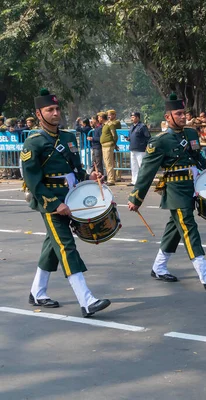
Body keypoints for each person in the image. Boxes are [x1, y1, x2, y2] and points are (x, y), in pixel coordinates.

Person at [21, 88, 110, 317]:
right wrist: (53, 204)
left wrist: (89, 178)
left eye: (57, 108)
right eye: (49, 109)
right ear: (39, 113)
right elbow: (33, 181)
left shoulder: (68, 137)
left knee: (52, 246)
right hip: (50, 201)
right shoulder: (34, 142)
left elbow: (75, 169)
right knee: (65, 246)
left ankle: (37, 292)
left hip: (71, 198)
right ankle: (86, 300)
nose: (55, 113)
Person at [127, 93, 206, 289]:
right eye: (178, 113)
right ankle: (205, 273)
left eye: (184, 113)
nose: (183, 117)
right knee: (189, 228)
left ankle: (159, 266)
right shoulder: (160, 141)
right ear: (168, 117)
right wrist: (135, 198)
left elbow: (196, 158)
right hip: (174, 189)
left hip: (192, 187)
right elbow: (146, 171)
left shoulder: (190, 134)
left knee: (174, 229)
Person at [127, 111, 151, 186]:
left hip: (140, 149)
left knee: (142, 166)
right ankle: (134, 181)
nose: (132, 118)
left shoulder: (142, 126)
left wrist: (147, 146)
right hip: (133, 148)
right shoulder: (131, 126)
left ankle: (144, 181)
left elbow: (148, 137)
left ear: (137, 117)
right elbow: (131, 137)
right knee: (134, 166)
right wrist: (128, 139)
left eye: (133, 117)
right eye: (131, 117)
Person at [100, 109, 120, 186]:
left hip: (108, 145)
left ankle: (111, 180)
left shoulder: (110, 124)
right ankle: (110, 178)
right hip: (104, 146)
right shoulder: (105, 125)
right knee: (106, 163)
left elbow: (114, 135)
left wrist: (113, 144)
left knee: (109, 163)